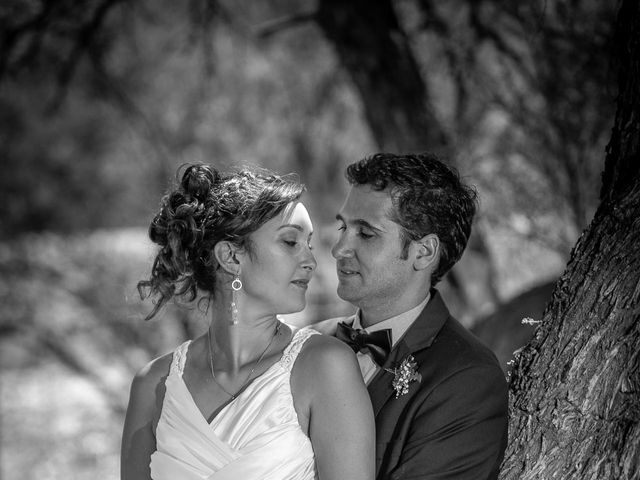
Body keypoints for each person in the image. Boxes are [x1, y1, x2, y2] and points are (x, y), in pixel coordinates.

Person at [121, 164, 375, 480]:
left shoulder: (324, 366)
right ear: (231, 257)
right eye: (290, 242)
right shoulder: (152, 385)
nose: (310, 262)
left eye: (308, 244)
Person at [314, 153, 509, 479]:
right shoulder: (312, 341)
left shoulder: (468, 380)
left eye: (365, 234)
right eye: (342, 227)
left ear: (424, 252)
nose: (339, 249)